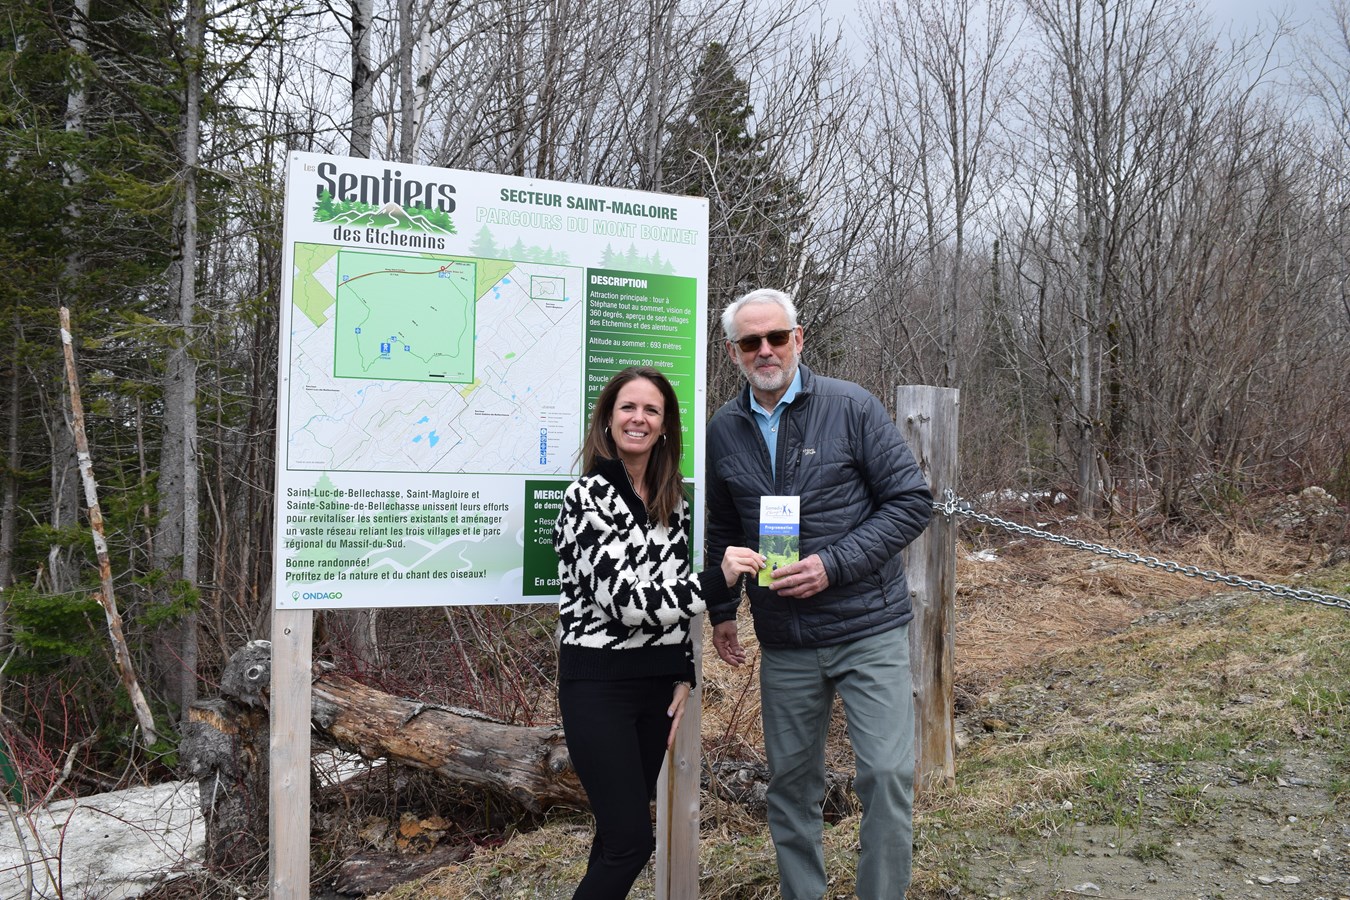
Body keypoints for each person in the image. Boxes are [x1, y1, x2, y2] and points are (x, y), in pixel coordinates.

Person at [705, 289, 934, 900]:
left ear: (798, 339)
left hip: (867, 628)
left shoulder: (851, 406)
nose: (765, 351)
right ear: (732, 352)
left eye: (776, 337)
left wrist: (833, 565)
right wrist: (723, 611)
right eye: (750, 342)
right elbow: (723, 529)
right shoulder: (723, 430)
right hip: (785, 638)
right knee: (791, 786)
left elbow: (911, 502)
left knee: (886, 774)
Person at [554, 365, 763, 899]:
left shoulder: (674, 501)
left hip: (656, 690)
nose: (639, 419)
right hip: (598, 686)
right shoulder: (586, 498)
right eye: (628, 407)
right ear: (607, 418)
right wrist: (718, 579)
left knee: (613, 838)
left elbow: (673, 598)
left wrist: (682, 671)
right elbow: (625, 603)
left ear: (665, 425)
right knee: (631, 843)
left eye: (652, 410)